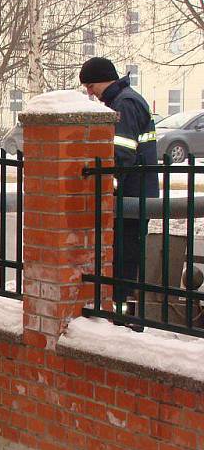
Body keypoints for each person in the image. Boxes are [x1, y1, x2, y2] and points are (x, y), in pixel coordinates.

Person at [79, 57, 159, 311]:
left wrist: (104, 185)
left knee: (124, 258)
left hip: (132, 195)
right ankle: (119, 306)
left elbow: (121, 155)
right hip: (131, 194)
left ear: (105, 79)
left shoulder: (125, 103)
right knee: (121, 255)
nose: (89, 92)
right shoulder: (122, 100)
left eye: (91, 85)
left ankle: (122, 311)